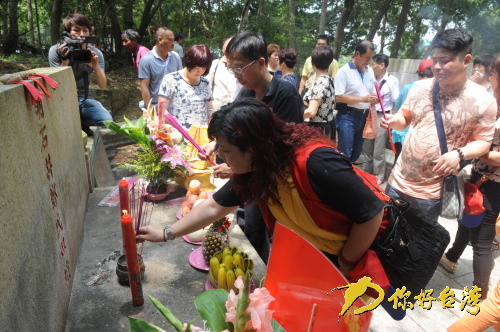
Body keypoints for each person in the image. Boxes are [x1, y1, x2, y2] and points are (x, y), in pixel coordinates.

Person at [137, 99, 385, 276]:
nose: (221, 156)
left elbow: (372, 212)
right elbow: (214, 206)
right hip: (316, 260)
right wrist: (165, 233)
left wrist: (346, 261)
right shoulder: (259, 170)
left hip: (352, 258)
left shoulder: (314, 162)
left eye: (226, 150)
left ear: (253, 148)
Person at [202, 31, 304, 261]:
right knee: (251, 228)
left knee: (272, 234)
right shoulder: (246, 92)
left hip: (275, 183)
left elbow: (282, 152)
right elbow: (233, 127)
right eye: (231, 68)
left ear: (260, 62)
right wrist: (216, 143)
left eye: (239, 67)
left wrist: (235, 169)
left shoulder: (285, 95)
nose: (236, 74)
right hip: (252, 180)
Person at [381, 28, 497, 226]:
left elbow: (483, 143)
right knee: (384, 234)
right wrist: (395, 121)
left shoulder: (483, 101)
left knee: (416, 247)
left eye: (445, 60)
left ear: (466, 60)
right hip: (397, 180)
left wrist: (459, 154)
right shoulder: (419, 88)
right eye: (435, 60)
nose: (437, 66)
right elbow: (405, 118)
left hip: (431, 192)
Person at [440, 55, 500, 301]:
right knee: (468, 219)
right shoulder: (492, 99)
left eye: (492, 73)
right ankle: (453, 257)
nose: (489, 76)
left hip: (494, 185)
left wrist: (479, 148)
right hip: (479, 177)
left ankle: (481, 296)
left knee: (483, 242)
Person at [48, 13, 112, 137]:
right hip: (63, 99)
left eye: (85, 30)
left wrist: (96, 66)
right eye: (76, 31)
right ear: (67, 33)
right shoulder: (56, 51)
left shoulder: (95, 53)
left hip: (84, 99)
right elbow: (55, 85)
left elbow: (103, 85)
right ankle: (79, 122)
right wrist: (64, 62)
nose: (82, 34)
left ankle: (82, 121)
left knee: (108, 123)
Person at [335, 41, 377, 162]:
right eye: (366, 57)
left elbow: (373, 90)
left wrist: (376, 99)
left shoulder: (370, 71)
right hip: (347, 116)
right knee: (345, 153)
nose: (368, 61)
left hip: (364, 116)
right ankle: (341, 178)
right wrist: (363, 99)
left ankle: (349, 175)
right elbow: (338, 97)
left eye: (370, 58)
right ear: (357, 54)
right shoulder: (344, 72)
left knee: (356, 153)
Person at [361, 54, 399, 184]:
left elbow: (395, 102)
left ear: (382, 65)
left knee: (378, 149)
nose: (371, 67)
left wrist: (393, 122)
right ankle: (366, 172)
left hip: (382, 116)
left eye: (373, 64)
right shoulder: (370, 78)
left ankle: (378, 175)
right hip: (369, 115)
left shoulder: (392, 81)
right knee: (367, 146)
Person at [157, 45, 214, 130]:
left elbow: (210, 108)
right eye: (197, 67)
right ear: (189, 62)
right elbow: (162, 110)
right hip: (177, 135)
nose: (200, 71)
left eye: (204, 68)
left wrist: (214, 118)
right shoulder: (171, 80)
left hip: (201, 135)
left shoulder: (205, 83)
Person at [392, 59, 434, 162]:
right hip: (420, 138)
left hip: (401, 133)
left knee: (398, 163)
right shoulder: (436, 91)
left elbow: (397, 109)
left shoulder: (408, 88)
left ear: (419, 72)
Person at [138, 27, 182, 109]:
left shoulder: (175, 57)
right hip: (156, 105)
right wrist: (150, 110)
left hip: (174, 105)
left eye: (173, 40)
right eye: (170, 40)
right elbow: (144, 87)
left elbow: (181, 80)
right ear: (160, 40)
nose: (173, 43)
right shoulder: (146, 60)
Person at [303, 46, 336, 141]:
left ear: (313, 63)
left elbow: (311, 111)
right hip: (327, 125)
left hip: (317, 129)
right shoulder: (329, 79)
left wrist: (293, 115)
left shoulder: (320, 82)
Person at [205, 36, 240, 111]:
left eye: (228, 55)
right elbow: (206, 88)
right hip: (217, 112)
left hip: (236, 113)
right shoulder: (215, 64)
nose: (224, 59)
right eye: (223, 53)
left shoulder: (244, 70)